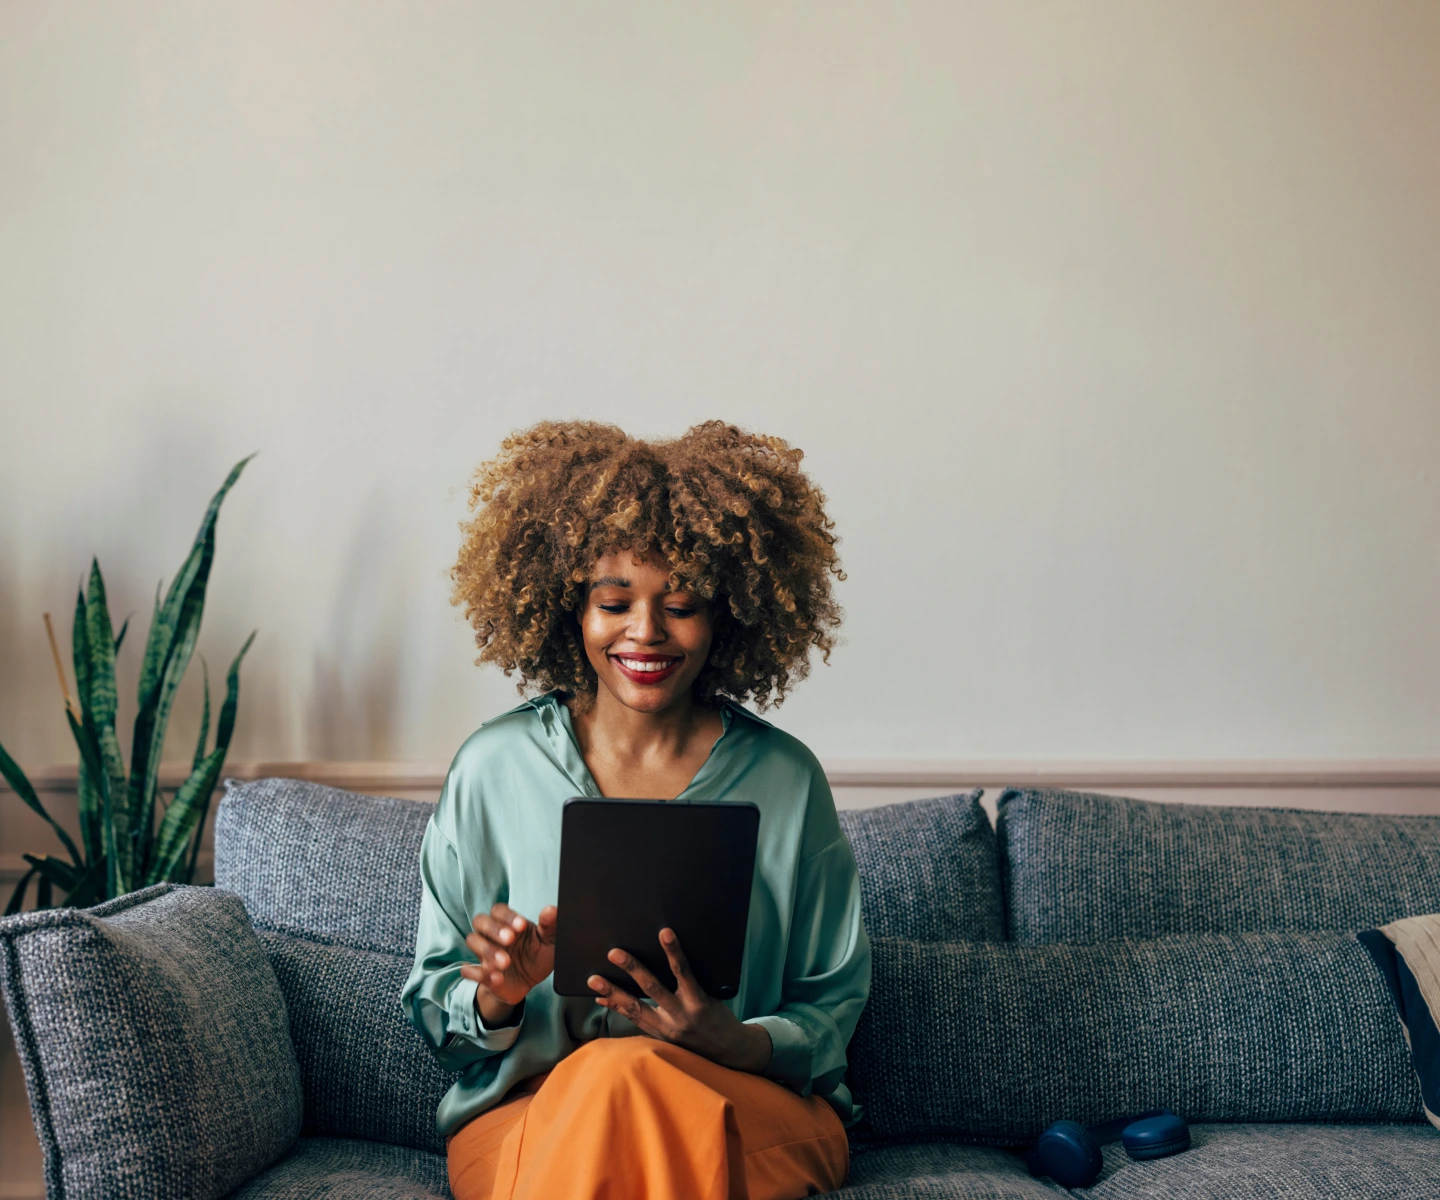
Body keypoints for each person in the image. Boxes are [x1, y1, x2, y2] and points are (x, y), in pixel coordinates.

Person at [401, 420, 871, 1200]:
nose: (645, 632)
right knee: (612, 1086)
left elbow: (831, 1007)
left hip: (741, 1103)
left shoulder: (786, 780)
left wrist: (737, 1040)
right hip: (531, 1115)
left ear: (727, 616)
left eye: (681, 605)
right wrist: (498, 994)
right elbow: (437, 1011)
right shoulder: (494, 767)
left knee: (628, 1084)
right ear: (568, 609)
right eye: (614, 602)